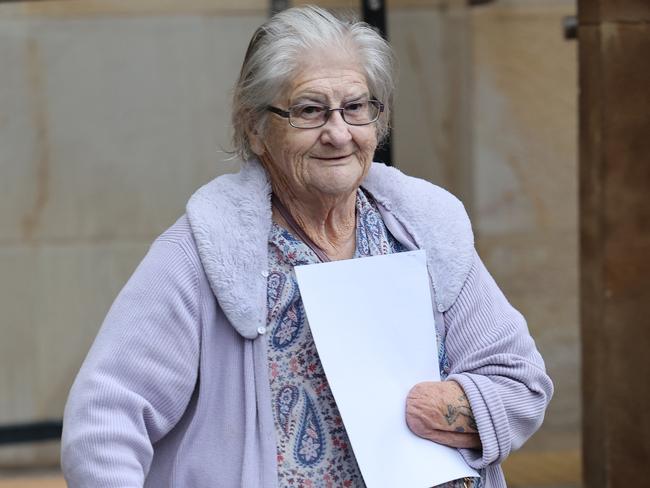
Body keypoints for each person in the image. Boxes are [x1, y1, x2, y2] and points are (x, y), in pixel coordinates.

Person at [61, 6, 553, 488]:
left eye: (356, 107)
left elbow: (519, 383)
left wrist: (445, 408)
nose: (338, 133)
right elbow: (104, 424)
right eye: (309, 110)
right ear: (256, 128)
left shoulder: (421, 229)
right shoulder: (202, 253)